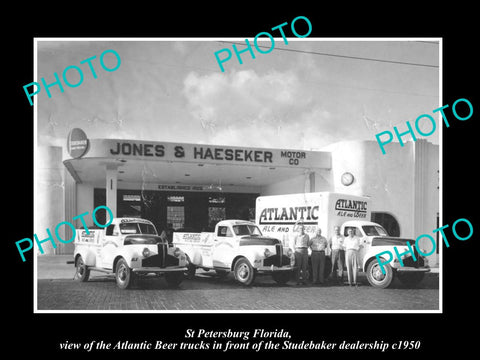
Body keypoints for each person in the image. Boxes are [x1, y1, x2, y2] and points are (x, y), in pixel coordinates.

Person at [293, 220, 310, 285]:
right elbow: (293, 244)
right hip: (298, 251)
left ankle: (304, 280)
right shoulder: (296, 235)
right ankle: (297, 281)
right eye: (300, 228)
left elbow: (308, 244)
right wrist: (296, 250)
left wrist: (305, 248)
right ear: (298, 229)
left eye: (302, 228)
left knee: (304, 267)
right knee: (298, 266)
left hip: (305, 250)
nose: (301, 229)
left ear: (304, 229)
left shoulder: (307, 236)